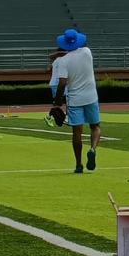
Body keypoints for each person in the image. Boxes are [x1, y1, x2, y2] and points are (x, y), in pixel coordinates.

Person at [52, 28, 100, 174]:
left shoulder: (63, 61)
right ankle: (92, 149)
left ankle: (78, 165)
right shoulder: (87, 53)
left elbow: (62, 83)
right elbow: (83, 45)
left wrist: (57, 103)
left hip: (75, 98)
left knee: (77, 132)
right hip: (91, 96)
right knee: (95, 126)